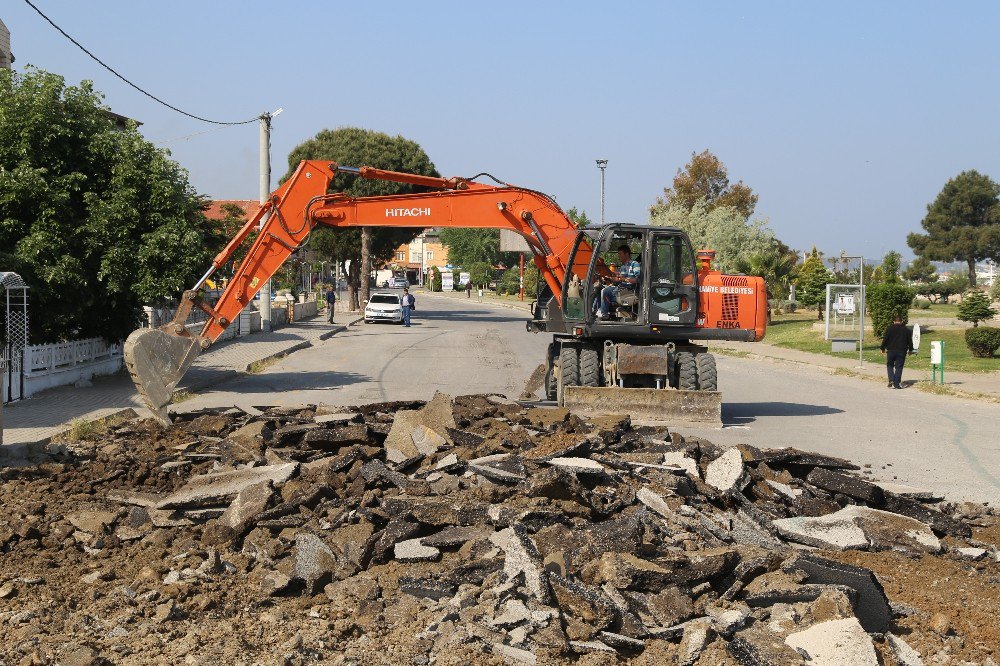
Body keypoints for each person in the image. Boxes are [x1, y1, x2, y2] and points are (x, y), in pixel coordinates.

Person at [599, 245, 640, 320]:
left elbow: (638, 280)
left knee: (605, 291)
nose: (619, 256)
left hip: (629, 290)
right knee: (600, 289)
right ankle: (597, 312)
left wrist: (624, 279)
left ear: (626, 254)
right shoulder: (623, 266)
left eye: (620, 254)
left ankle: (604, 315)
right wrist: (610, 279)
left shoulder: (634, 264)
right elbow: (619, 279)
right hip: (621, 288)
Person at [880, 314, 913, 389]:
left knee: (890, 365)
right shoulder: (906, 330)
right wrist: (910, 350)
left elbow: (885, 339)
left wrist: (882, 348)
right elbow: (910, 342)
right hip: (902, 351)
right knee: (899, 367)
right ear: (901, 321)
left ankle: (891, 379)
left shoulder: (889, 329)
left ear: (894, 321)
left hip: (891, 350)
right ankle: (897, 383)